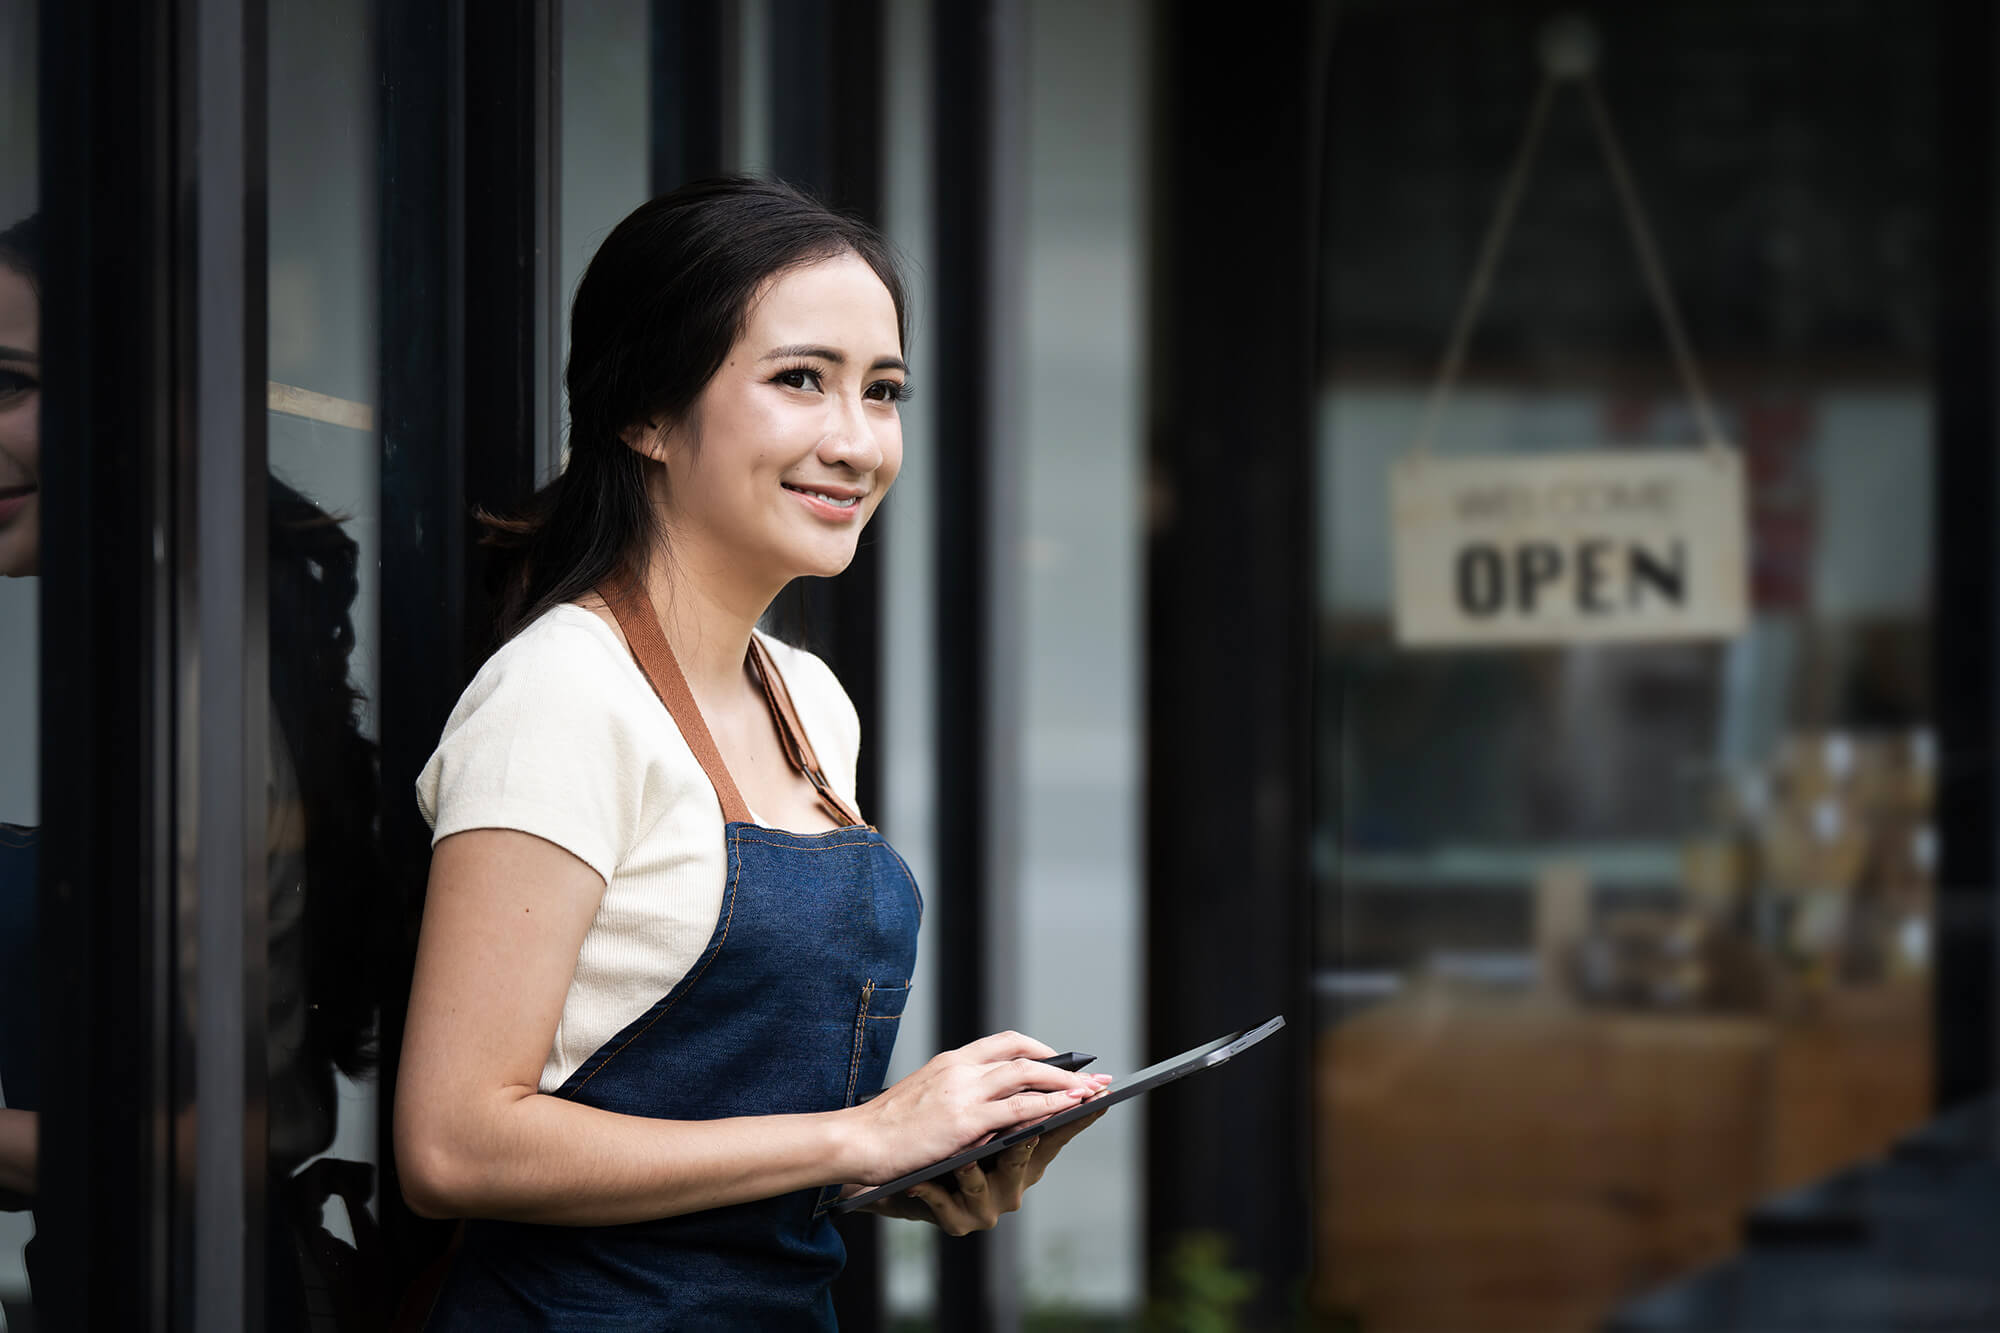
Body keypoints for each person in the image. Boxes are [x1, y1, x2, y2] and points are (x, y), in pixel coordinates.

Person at [394, 177, 1107, 1329]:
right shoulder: (560, 696)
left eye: (883, 392)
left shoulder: (809, 700)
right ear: (646, 414)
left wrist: (903, 1164)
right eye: (797, 381)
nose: (855, 441)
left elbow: (712, 1131)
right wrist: (855, 1131)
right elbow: (454, 1141)